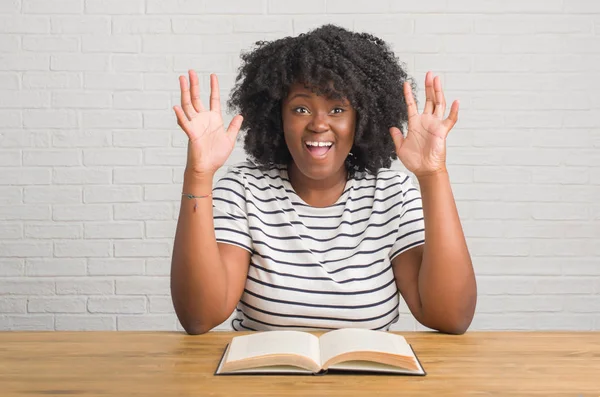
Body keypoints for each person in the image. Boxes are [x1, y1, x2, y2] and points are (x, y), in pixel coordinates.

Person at [170, 25, 477, 335]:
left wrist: (433, 175)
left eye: (337, 109)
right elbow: (199, 317)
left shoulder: (391, 195)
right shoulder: (244, 192)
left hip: (369, 380)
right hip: (263, 380)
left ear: (361, 119)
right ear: (278, 117)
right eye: (301, 109)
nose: (318, 124)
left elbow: (450, 317)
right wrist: (198, 176)